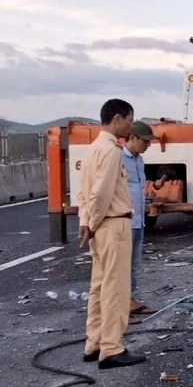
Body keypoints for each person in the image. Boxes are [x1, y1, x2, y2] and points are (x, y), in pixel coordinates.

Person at [78, 99, 147, 369]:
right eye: (130, 120)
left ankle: (93, 343)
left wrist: (87, 221)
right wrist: (93, 222)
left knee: (98, 287)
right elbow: (103, 192)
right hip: (113, 223)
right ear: (118, 118)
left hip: (99, 226)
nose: (131, 126)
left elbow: (85, 192)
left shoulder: (93, 148)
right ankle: (111, 348)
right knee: (116, 288)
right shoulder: (111, 151)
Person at [122, 121, 157, 317]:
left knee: (134, 262)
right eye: (145, 141)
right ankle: (121, 305)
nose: (148, 145)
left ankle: (130, 300)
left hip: (138, 219)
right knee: (122, 265)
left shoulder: (138, 160)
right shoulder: (118, 158)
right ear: (133, 138)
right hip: (124, 220)